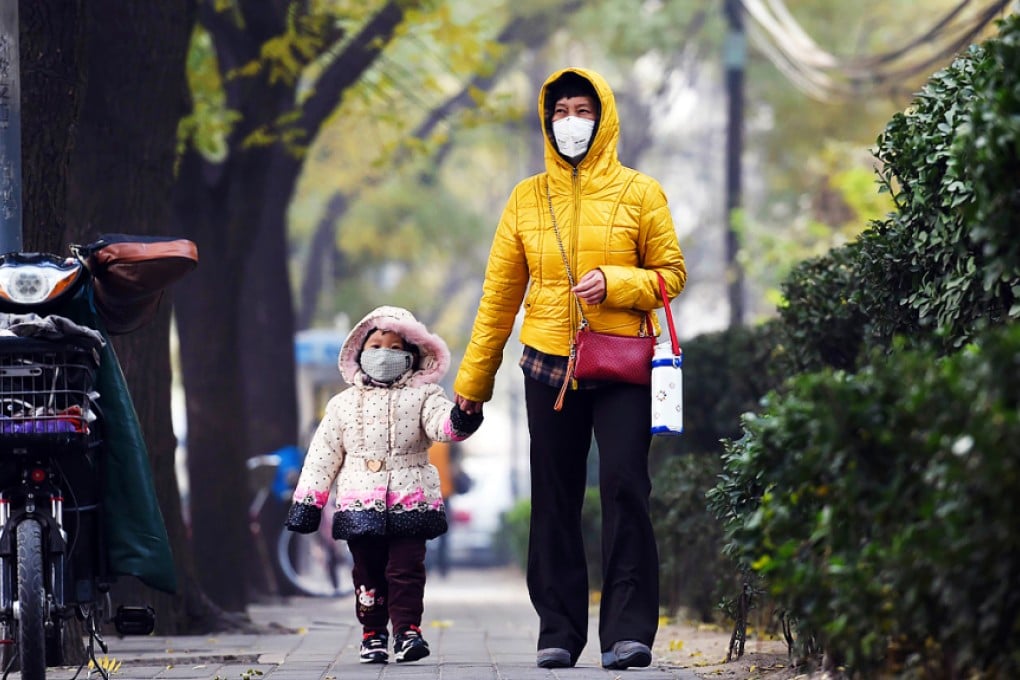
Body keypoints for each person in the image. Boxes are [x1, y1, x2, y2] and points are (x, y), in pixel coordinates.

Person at [453, 67, 686, 670]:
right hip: (547, 365)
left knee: (625, 488)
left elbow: (671, 276)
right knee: (554, 496)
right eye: (560, 113)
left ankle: (628, 632)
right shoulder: (526, 198)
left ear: (602, 117)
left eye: (582, 110)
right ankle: (557, 630)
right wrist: (472, 386)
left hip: (622, 360)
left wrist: (615, 283)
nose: (571, 123)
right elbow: (498, 298)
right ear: (546, 121)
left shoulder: (641, 192)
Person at [285, 306, 483, 664]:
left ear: (413, 355)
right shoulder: (343, 405)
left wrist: (463, 415)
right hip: (360, 502)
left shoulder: (426, 397)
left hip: (412, 499)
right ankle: (373, 632)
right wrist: (308, 504)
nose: (383, 355)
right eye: (375, 346)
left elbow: (444, 427)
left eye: (394, 348)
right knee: (367, 572)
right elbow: (322, 456)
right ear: (358, 352)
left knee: (407, 570)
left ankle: (408, 631)